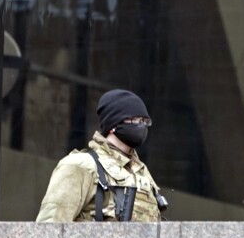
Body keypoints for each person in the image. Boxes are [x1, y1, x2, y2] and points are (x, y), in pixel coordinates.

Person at [36, 89, 163, 222]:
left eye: (145, 121)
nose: (142, 126)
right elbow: (50, 227)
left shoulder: (143, 176)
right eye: (135, 120)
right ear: (114, 125)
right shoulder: (82, 165)